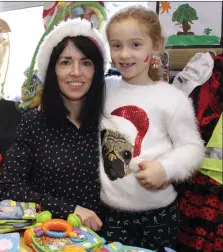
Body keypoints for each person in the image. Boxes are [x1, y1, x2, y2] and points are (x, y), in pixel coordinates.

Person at [98, 6, 205, 251]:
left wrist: (165, 168)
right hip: (109, 212)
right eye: (116, 45)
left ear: (156, 46)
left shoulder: (172, 98)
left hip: (158, 215)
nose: (124, 54)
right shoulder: (104, 89)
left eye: (135, 45)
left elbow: (193, 147)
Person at [0, 18, 108, 232]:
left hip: (101, 240)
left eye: (86, 63)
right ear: (52, 70)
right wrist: (71, 210)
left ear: (97, 71)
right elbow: (9, 189)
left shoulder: (110, 123)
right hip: (44, 236)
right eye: (66, 62)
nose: (76, 72)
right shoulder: (33, 123)